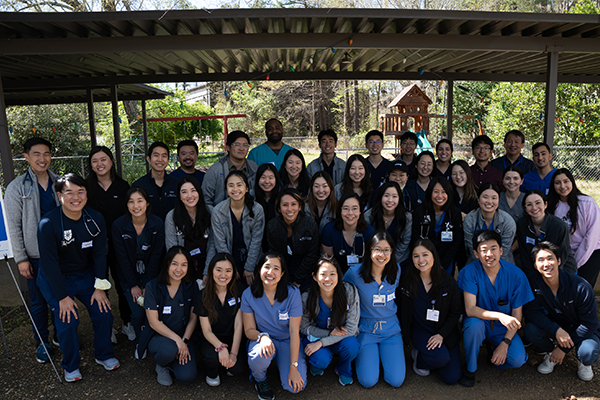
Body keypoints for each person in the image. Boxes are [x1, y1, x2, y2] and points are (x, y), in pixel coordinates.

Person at [36, 174, 119, 382]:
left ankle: (104, 354)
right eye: (69, 192)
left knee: (103, 312)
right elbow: (49, 264)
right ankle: (70, 365)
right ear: (59, 195)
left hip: (85, 274)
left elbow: (100, 254)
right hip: (56, 278)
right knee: (68, 319)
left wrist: (100, 286)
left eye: (80, 192)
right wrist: (62, 297)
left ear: (86, 194)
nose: (76, 197)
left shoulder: (95, 218)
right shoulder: (48, 223)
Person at [5, 137, 60, 363]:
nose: (42, 158)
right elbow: (13, 225)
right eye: (36, 154)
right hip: (34, 256)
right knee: (38, 301)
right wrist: (21, 258)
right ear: (26, 156)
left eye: (46, 153)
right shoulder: (17, 187)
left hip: (59, 253)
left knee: (60, 297)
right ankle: (42, 341)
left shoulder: (60, 183)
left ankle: (60, 335)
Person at [457, 230, 534, 387]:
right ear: (476, 254)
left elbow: (516, 316)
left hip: (502, 328)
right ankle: (470, 367)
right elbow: (470, 309)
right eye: (483, 250)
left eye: (493, 248)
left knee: (517, 359)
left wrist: (505, 344)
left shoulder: (516, 275)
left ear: (501, 250)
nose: (489, 254)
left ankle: (493, 352)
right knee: (473, 325)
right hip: (479, 322)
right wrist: (500, 316)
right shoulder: (469, 272)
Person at [524, 241, 600, 382]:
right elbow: (532, 312)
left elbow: (591, 324)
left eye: (550, 258)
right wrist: (557, 330)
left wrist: (563, 349)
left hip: (582, 327)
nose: (546, 264)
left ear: (558, 261)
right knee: (530, 330)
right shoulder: (534, 281)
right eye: (540, 260)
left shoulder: (580, 286)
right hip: (559, 324)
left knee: (588, 352)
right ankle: (550, 352)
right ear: (535, 265)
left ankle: (583, 362)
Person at [343, 230, 405, 388]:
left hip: (391, 329)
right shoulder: (354, 273)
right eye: (377, 249)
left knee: (396, 381)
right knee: (368, 381)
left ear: (391, 251)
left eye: (386, 250)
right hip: (366, 329)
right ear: (369, 250)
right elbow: (340, 293)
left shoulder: (396, 270)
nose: (382, 254)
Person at [241, 253, 307, 400]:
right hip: (264, 340)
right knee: (258, 357)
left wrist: (293, 367)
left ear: (282, 273)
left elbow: (294, 331)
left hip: (287, 340)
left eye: (276, 268)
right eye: (267, 267)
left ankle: (283, 364)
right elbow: (249, 330)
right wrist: (262, 336)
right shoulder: (248, 294)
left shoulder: (293, 293)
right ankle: (260, 379)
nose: (270, 272)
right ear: (259, 270)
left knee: (295, 387)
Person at [397, 239, 462, 384]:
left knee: (451, 378)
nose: (421, 260)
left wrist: (442, 334)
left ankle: (430, 356)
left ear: (433, 255)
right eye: (416, 256)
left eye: (425, 255)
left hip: (445, 331)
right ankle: (420, 359)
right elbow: (400, 308)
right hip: (421, 330)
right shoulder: (406, 280)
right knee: (441, 358)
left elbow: (455, 312)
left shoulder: (448, 281)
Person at [86, 145, 133, 342]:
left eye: (103, 159)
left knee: (123, 285)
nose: (100, 164)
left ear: (111, 161)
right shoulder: (86, 188)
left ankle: (127, 322)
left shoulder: (123, 186)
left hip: (120, 245)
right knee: (100, 286)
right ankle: (107, 326)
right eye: (95, 160)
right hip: (95, 248)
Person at [136, 246, 198, 386]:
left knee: (187, 376)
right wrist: (178, 342)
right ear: (167, 264)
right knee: (168, 350)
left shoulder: (191, 286)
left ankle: (175, 358)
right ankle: (162, 365)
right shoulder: (153, 286)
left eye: (184, 265)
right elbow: (154, 323)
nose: (178, 269)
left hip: (184, 335)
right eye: (174, 264)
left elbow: (193, 318)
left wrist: (184, 340)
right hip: (158, 336)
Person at [112, 187, 165, 341]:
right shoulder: (118, 225)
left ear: (147, 203)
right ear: (126, 205)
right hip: (129, 276)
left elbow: (156, 256)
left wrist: (147, 284)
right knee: (138, 312)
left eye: (140, 201)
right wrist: (133, 284)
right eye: (131, 202)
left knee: (154, 308)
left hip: (151, 275)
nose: (136, 206)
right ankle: (140, 342)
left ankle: (155, 338)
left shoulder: (157, 223)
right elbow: (122, 259)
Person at [300, 256, 360, 386]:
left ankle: (343, 368)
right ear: (314, 277)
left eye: (333, 274)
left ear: (339, 275)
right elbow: (303, 327)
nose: (328, 279)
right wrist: (327, 335)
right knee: (320, 359)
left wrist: (322, 343)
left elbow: (351, 328)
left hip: (342, 336)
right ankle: (317, 364)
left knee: (352, 346)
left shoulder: (349, 291)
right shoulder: (306, 297)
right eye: (323, 274)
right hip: (317, 335)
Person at [196, 253, 246, 386]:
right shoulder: (202, 295)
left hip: (233, 337)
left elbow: (238, 324)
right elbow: (206, 330)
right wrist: (220, 347)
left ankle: (227, 363)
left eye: (228, 271)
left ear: (233, 273)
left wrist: (233, 353)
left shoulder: (241, 291)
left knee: (238, 368)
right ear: (211, 270)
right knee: (212, 358)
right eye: (218, 270)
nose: (223, 275)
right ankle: (212, 370)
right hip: (211, 339)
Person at [211, 171, 264, 289]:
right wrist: (230, 268)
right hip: (229, 258)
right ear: (226, 188)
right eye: (231, 185)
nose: (235, 189)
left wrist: (249, 268)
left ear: (247, 188)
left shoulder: (257, 209)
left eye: (239, 185)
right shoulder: (218, 211)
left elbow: (257, 240)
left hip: (252, 259)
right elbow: (220, 243)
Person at [548, 168, 600, 287]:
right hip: (564, 254)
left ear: (572, 182)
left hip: (590, 253)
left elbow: (592, 236)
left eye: (566, 181)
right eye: (557, 183)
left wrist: (576, 262)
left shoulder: (587, 203)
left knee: (582, 289)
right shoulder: (551, 206)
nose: (562, 186)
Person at [515, 190, 576, 278]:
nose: (534, 208)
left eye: (538, 203)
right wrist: (533, 277)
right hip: (534, 268)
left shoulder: (559, 226)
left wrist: (553, 277)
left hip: (561, 268)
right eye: (529, 205)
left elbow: (562, 254)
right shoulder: (522, 224)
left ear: (545, 205)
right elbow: (525, 255)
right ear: (525, 208)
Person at [266, 189, 320, 288]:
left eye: (293, 204)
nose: (290, 209)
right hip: (280, 273)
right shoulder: (272, 226)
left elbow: (312, 256)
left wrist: (297, 280)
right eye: (285, 205)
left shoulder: (310, 225)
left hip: (306, 274)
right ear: (279, 208)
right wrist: (285, 279)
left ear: (299, 207)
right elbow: (274, 255)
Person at [165, 176, 212, 283]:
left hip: (208, 266)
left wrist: (207, 272)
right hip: (182, 270)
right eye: (184, 192)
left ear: (199, 192)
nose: (190, 196)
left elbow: (213, 244)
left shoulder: (211, 212)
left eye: (193, 190)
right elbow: (172, 249)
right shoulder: (172, 217)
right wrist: (182, 273)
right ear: (180, 196)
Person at [412, 178, 463, 275]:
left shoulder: (454, 213)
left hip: (446, 259)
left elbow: (456, 241)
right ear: (430, 193)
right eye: (436, 192)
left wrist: (443, 264)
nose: (440, 196)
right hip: (423, 259)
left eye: (444, 192)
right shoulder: (420, 212)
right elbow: (415, 238)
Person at [202, 130, 258, 212]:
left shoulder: (253, 167)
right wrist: (217, 217)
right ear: (228, 147)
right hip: (220, 218)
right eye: (237, 144)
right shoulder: (215, 170)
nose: (241, 148)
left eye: (245, 145)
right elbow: (205, 200)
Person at [463, 183, 516, 265]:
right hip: (476, 260)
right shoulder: (469, 220)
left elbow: (504, 251)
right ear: (478, 199)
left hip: (502, 261)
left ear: (499, 200)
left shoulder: (507, 221)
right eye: (485, 197)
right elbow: (472, 248)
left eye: (494, 198)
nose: (489, 201)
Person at [321, 193, 375, 273]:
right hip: (336, 274)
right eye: (346, 208)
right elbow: (328, 260)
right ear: (340, 211)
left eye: (354, 208)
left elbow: (369, 262)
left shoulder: (369, 232)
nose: (350, 213)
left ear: (360, 211)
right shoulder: (329, 230)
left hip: (361, 273)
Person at [364, 181, 412, 264]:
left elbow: (405, 241)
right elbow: (368, 241)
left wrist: (391, 260)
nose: (390, 200)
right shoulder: (369, 215)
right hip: (375, 260)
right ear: (380, 197)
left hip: (400, 260)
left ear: (399, 198)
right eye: (386, 196)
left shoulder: (407, 217)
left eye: (394, 196)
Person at [132, 141, 178, 220]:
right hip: (149, 231)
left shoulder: (176, 184)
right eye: (156, 155)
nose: (160, 159)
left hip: (173, 230)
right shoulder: (139, 185)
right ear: (148, 159)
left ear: (168, 160)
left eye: (164, 156)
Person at [253, 163, 281, 253]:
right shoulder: (250, 197)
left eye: (271, 178)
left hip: (278, 246)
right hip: (255, 246)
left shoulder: (282, 198)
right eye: (263, 177)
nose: (267, 181)